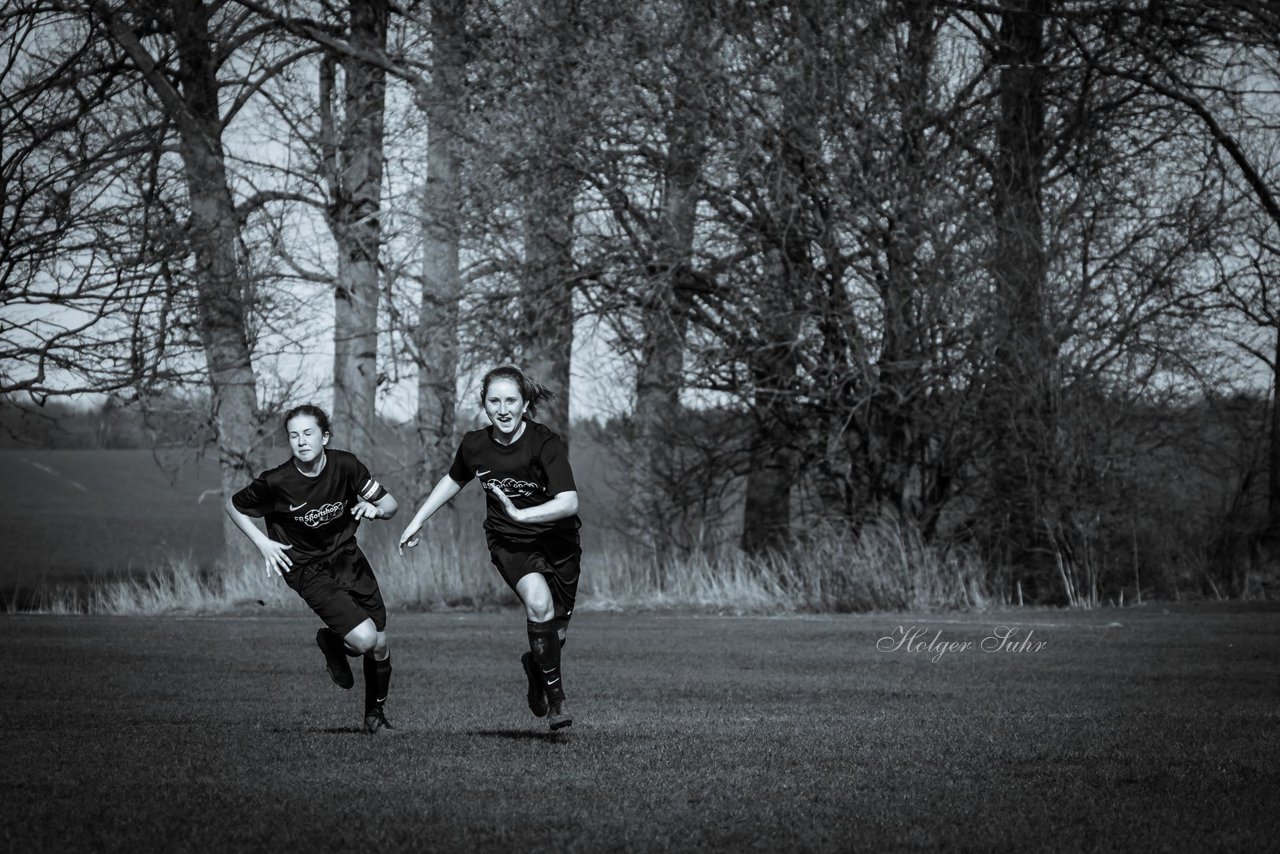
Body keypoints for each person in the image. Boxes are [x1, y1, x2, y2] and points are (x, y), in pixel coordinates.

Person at [399, 366, 581, 731]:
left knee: (554, 636)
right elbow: (453, 480)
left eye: (511, 400)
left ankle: (535, 666)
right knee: (539, 604)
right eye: (494, 401)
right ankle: (557, 704)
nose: (503, 409)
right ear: (484, 405)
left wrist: (521, 513)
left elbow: (569, 502)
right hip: (509, 541)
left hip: (559, 543)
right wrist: (418, 519)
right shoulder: (475, 445)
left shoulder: (545, 442)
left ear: (525, 403)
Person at [224, 404, 400, 735]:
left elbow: (390, 505)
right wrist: (262, 543)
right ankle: (334, 642)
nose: (302, 441)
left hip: (350, 560)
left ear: (325, 437)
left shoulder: (346, 465)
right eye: (294, 435)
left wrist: (375, 511)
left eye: (308, 433)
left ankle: (374, 719)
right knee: (363, 640)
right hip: (306, 568)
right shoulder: (276, 481)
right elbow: (233, 505)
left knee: (379, 643)